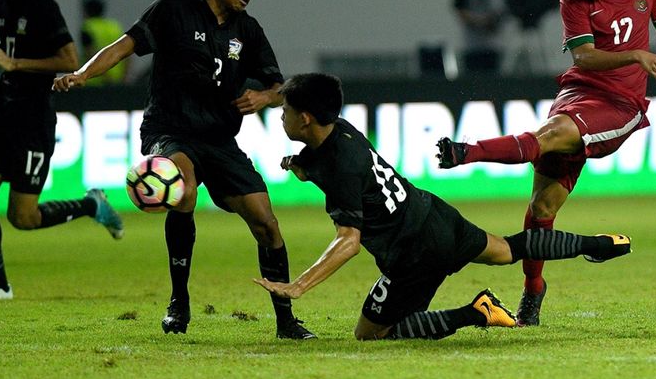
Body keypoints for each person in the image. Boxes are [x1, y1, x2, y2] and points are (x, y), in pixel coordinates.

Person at [53, 0, 315, 340]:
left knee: (267, 224)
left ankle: (286, 321)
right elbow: (123, 47)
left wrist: (264, 96)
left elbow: (281, 87)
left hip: (220, 140)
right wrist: (83, 74)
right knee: (184, 189)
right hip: (170, 129)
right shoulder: (172, 11)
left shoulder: (248, 31)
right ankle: (179, 301)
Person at [436, 0, 656, 326]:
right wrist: (637, 55)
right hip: (578, 94)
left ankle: (467, 152)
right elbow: (585, 59)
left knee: (551, 136)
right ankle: (533, 291)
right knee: (542, 206)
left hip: (619, 105)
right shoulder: (572, 2)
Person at [254, 73, 631, 341]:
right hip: (433, 215)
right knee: (508, 249)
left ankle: (476, 312)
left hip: (413, 254)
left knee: (371, 333)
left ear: (305, 118)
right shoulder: (342, 129)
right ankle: (596, 245)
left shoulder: (340, 169)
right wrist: (299, 166)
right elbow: (321, 163)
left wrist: (299, 286)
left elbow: (349, 241)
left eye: (285, 110)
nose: (281, 115)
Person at [0, 0, 124, 301]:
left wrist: (14, 63)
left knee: (22, 217)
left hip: (32, 120)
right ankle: (0, 285)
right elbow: (11, 47)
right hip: (1, 115)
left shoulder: (43, 5)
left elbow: (68, 59)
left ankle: (91, 204)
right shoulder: (0, 1)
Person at [80, 0, 129, 85]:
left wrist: (106, 77)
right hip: (118, 81)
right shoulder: (115, 26)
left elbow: (90, 54)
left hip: (96, 82)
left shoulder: (87, 27)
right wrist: (124, 77)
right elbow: (128, 53)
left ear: (86, 11)